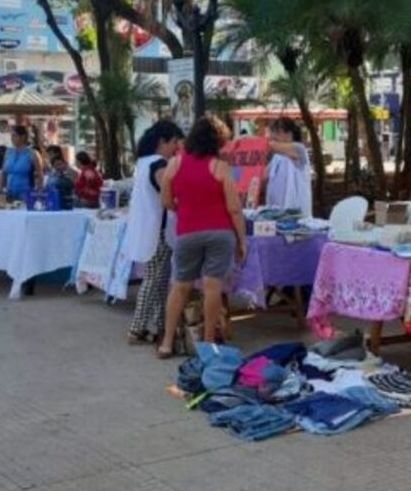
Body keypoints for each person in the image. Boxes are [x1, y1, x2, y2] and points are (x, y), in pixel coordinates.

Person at [158, 117, 247, 358]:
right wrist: (242, 240)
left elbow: (165, 201)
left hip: (187, 233)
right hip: (220, 233)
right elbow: (234, 209)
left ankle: (166, 342)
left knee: (180, 287)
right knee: (212, 288)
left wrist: (182, 208)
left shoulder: (174, 165)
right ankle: (208, 343)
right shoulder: (220, 168)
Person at [123, 121, 184, 345]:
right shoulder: (159, 165)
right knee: (153, 279)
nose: (177, 147)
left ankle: (157, 326)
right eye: (174, 142)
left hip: (150, 227)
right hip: (159, 229)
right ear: (163, 142)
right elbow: (169, 193)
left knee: (159, 279)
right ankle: (137, 327)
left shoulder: (143, 162)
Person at [263, 119, 313, 217]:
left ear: (289, 133)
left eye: (277, 132)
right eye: (272, 132)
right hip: (276, 212)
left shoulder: (299, 149)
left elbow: (272, 145)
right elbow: (264, 176)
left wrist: (250, 141)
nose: (273, 136)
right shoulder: (277, 157)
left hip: (296, 215)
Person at [0, 125, 43, 201]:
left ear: (23, 137)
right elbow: (3, 172)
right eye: (11, 136)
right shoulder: (8, 152)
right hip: (10, 192)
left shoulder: (33, 153)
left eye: (14, 136)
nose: (12, 138)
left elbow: (40, 174)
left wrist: (39, 191)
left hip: (26, 192)